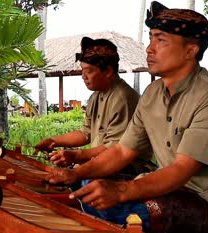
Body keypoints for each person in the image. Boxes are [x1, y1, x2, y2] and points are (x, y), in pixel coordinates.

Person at [45, 1, 208, 233]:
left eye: (160, 40)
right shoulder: (151, 94)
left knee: (116, 210)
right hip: (172, 190)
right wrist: (75, 173)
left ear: (190, 50)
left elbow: (182, 169)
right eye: (151, 39)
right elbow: (121, 151)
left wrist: (121, 191)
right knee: (89, 190)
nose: (149, 49)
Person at [35, 36, 144, 170]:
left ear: (108, 71)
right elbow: (85, 134)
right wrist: (53, 141)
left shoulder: (122, 98)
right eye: (82, 70)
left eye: (89, 71)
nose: (83, 76)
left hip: (127, 171)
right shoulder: (96, 97)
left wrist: (77, 156)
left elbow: (115, 150)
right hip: (104, 166)